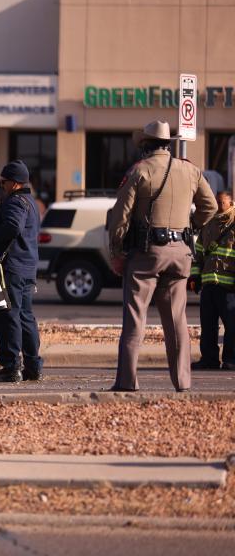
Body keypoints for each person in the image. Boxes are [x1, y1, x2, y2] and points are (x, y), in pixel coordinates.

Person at [108, 120, 216, 392]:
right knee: (177, 320)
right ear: (168, 143)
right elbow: (210, 206)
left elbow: (120, 217)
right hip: (180, 253)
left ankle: (127, 382)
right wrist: (189, 227)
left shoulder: (139, 171)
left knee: (135, 318)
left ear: (144, 145)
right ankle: (182, 382)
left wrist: (116, 251)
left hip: (146, 253)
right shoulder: (190, 170)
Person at [0, 160, 42, 382]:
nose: (0, 185)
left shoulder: (15, 202)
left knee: (8, 316)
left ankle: (11, 367)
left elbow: (13, 227)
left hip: (12, 268)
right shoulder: (31, 202)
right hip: (26, 268)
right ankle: (33, 367)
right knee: (25, 317)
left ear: (14, 183)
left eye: (3, 181)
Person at [190, 190, 235, 371]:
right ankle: (209, 359)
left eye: (221, 202)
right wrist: (195, 276)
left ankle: (231, 359)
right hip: (209, 284)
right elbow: (198, 252)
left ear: (231, 204)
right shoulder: (208, 225)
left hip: (229, 285)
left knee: (232, 326)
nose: (217, 205)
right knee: (208, 326)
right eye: (216, 202)